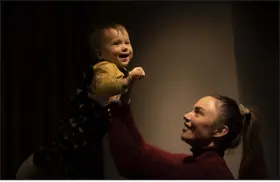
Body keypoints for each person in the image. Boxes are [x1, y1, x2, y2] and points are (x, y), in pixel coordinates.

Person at [16, 23, 145, 179]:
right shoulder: (103, 68)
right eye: (116, 43)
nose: (124, 47)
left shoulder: (119, 71)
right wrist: (129, 80)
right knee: (58, 162)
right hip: (76, 138)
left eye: (127, 42)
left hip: (88, 141)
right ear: (100, 54)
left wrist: (128, 84)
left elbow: (120, 99)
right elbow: (106, 86)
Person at [106, 92, 267, 179]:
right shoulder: (201, 165)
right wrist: (123, 106)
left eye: (198, 113)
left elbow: (131, 162)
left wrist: (112, 107)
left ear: (219, 131)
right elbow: (142, 150)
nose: (186, 115)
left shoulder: (209, 173)